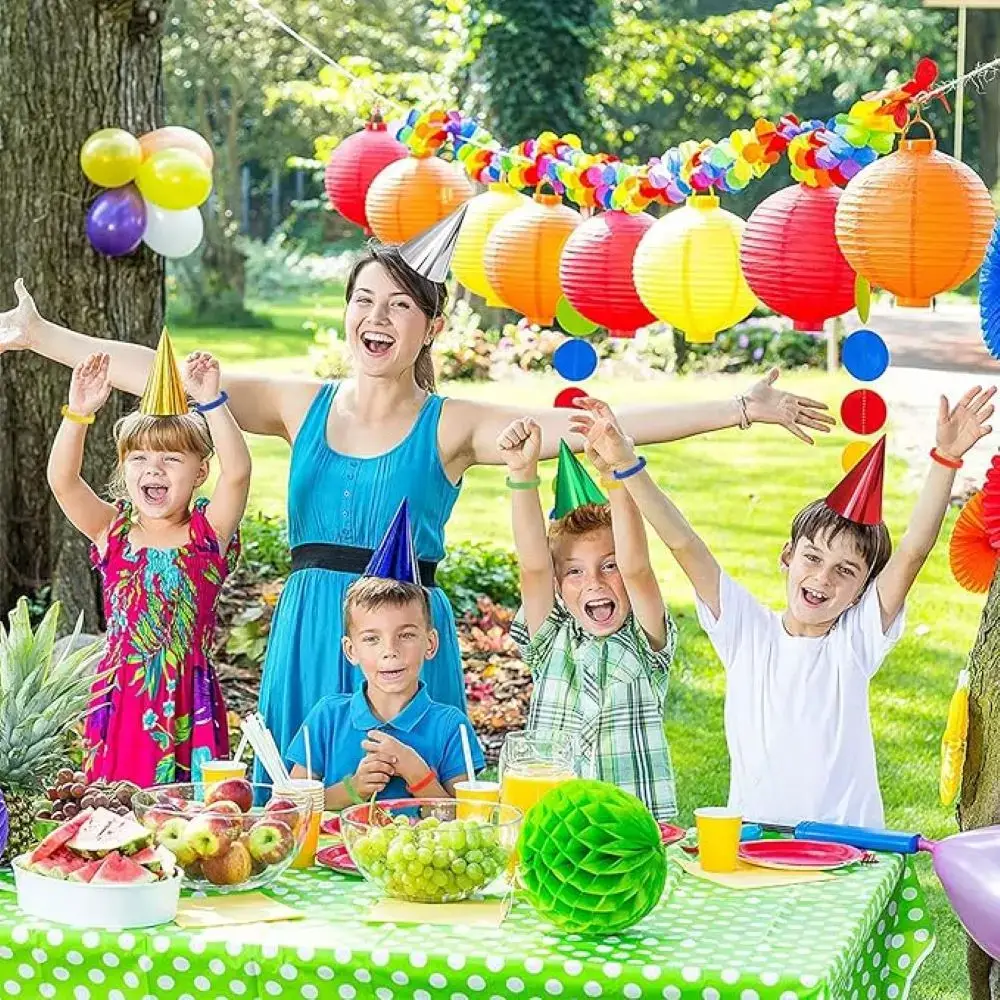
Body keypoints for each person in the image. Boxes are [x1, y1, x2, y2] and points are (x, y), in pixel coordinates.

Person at [0, 241, 832, 778]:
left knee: (410, 803)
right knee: (301, 801)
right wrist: (43, 338)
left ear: (430, 326)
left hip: (404, 635)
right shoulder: (299, 403)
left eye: (399, 304)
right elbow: (157, 372)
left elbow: (594, 428)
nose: (377, 317)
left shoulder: (454, 424)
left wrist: (739, 407)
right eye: (364, 299)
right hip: (314, 628)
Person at [574, 388, 994, 827]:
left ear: (861, 592)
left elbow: (912, 552)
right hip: (756, 840)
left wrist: (946, 459)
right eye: (812, 558)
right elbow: (683, 543)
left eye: (845, 571)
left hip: (847, 846)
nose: (823, 578)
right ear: (787, 557)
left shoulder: (856, 640)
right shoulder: (745, 630)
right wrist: (628, 465)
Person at [47, 337, 250, 785]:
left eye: (171, 459)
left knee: (189, 816)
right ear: (125, 469)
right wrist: (78, 414)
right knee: (115, 807)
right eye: (139, 458)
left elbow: (237, 473)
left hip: (189, 704)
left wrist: (212, 402)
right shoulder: (113, 532)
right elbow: (63, 481)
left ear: (200, 473)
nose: (153, 469)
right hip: (120, 699)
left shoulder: (207, 536)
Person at [499, 407, 678, 819]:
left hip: (630, 824)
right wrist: (522, 474)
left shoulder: (645, 640)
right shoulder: (550, 641)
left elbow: (638, 568)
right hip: (555, 822)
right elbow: (534, 567)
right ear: (559, 585)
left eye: (609, 565)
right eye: (575, 572)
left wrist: (616, 475)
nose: (594, 582)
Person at [288, 503, 484, 808]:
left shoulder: (450, 726)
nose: (390, 651)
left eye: (406, 635)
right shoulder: (327, 717)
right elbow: (292, 807)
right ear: (351, 650)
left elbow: (469, 820)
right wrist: (353, 789)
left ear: (430, 643)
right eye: (372, 639)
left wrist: (417, 774)